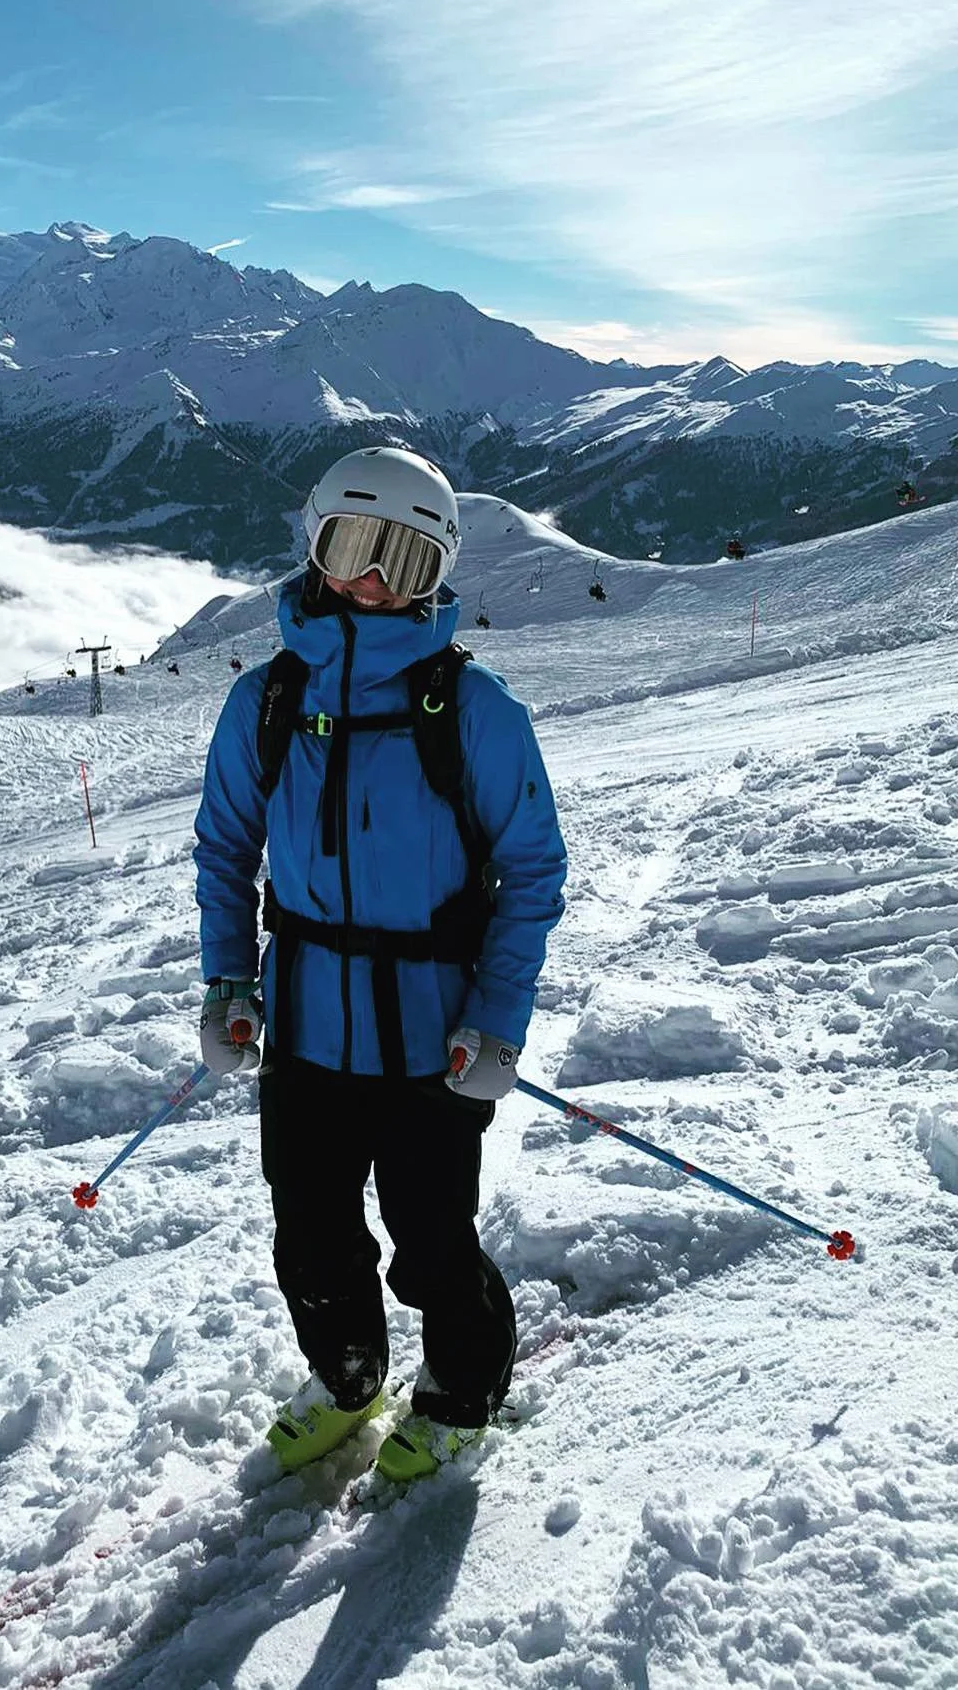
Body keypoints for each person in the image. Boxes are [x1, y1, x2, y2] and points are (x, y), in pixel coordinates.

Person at [194, 446, 566, 1482]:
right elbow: (226, 846)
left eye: (403, 558)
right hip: (306, 1024)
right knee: (309, 1232)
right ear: (314, 545)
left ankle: (461, 1384)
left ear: (436, 573)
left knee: (431, 1234)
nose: (373, 579)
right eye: (352, 545)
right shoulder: (266, 702)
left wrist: (497, 1019)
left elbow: (532, 872)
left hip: (433, 1032)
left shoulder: (475, 709)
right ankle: (347, 1371)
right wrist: (231, 980)